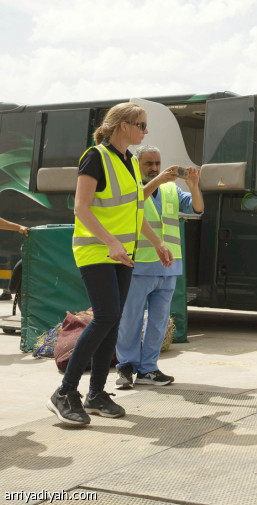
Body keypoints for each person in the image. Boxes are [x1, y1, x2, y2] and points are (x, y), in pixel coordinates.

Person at [47, 103, 172, 426]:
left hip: (122, 254)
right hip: (96, 251)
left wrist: (156, 242)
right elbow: (81, 209)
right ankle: (65, 392)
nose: (145, 131)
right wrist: (111, 242)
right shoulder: (95, 157)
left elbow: (134, 210)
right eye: (141, 125)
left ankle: (96, 393)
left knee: (113, 321)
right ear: (122, 126)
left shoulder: (130, 161)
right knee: (105, 317)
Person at [115, 145, 203, 389]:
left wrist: (194, 185)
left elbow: (197, 209)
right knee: (130, 319)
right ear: (138, 165)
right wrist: (158, 180)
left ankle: (148, 370)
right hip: (139, 265)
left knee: (158, 322)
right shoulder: (132, 188)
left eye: (157, 163)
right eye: (148, 164)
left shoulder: (172, 190)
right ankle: (125, 367)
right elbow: (133, 204)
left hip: (169, 267)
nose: (154, 168)